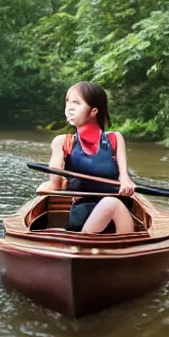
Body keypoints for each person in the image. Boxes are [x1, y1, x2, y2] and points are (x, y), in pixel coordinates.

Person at [36, 81, 136, 233]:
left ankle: (81, 244)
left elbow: (124, 176)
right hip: (82, 219)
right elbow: (55, 184)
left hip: (117, 221)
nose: (69, 108)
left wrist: (126, 181)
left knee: (110, 203)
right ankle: (81, 242)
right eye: (67, 102)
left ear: (93, 111)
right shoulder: (62, 142)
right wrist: (51, 181)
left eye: (76, 103)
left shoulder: (115, 139)